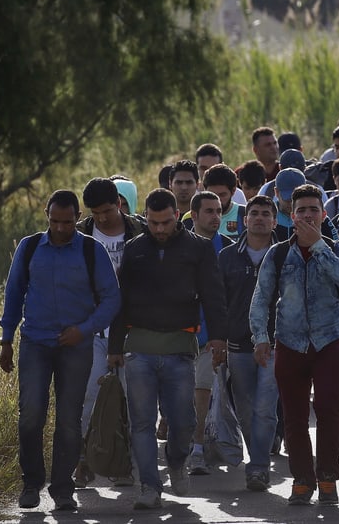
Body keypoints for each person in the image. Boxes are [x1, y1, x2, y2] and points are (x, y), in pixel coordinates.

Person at [0, 190, 121, 511]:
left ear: (78, 218)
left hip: (75, 347)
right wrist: (6, 340)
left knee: (69, 419)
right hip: (35, 344)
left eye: (67, 222)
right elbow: (13, 294)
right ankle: (31, 483)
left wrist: (84, 329)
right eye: (55, 222)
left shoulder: (92, 252)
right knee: (30, 415)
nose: (61, 228)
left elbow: (111, 299)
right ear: (46, 215)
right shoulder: (28, 248)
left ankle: (63, 488)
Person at [107, 188, 227, 509]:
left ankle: (176, 462)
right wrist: (115, 347)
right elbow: (122, 301)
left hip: (180, 348)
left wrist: (218, 338)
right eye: (153, 222)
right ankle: (149, 487)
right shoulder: (134, 250)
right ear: (145, 217)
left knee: (183, 421)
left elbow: (213, 295)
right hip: (140, 349)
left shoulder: (199, 249)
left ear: (178, 215)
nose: (159, 229)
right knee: (142, 422)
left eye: (165, 222)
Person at [249, 184, 339, 506]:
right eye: (302, 210)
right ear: (291, 216)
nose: (308, 215)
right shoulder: (278, 253)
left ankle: (327, 478)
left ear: (323, 214)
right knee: (294, 416)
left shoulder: (337, 249)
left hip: (328, 343)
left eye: (314, 209)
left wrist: (319, 246)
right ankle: (302, 479)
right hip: (290, 343)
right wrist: (261, 338)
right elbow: (261, 298)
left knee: (327, 409)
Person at [73, 178, 143, 489]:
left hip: (135, 331)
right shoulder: (81, 234)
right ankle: (84, 460)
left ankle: (123, 463)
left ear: (119, 201)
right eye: (95, 212)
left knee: (133, 401)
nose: (101, 217)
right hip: (93, 330)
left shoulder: (140, 231)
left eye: (106, 210)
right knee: (88, 399)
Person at [219, 195, 280, 492]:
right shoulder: (227, 256)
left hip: (276, 343)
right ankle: (257, 456)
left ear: (273, 220)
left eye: (265, 214)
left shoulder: (286, 253)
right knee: (245, 408)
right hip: (238, 344)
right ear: (245, 220)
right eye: (253, 213)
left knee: (265, 408)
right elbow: (218, 302)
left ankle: (258, 468)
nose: (258, 218)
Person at [185, 191, 234, 475]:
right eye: (209, 211)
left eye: (218, 211)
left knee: (202, 392)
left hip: (210, 336)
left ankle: (199, 448)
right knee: (180, 397)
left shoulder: (227, 249)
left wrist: (221, 335)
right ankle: (184, 444)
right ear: (193, 215)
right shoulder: (180, 247)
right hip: (179, 334)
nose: (216, 217)